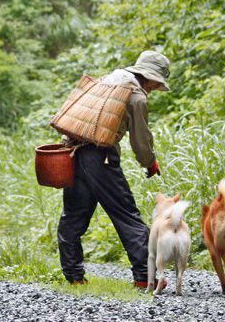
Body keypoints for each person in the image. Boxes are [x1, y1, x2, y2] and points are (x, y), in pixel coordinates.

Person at [57, 51, 170, 287]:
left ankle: (74, 277)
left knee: (74, 217)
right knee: (127, 215)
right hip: (101, 159)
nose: (154, 89)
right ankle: (144, 278)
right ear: (148, 77)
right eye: (155, 84)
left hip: (73, 152)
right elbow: (141, 139)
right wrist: (150, 162)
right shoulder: (136, 96)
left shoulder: (108, 80)